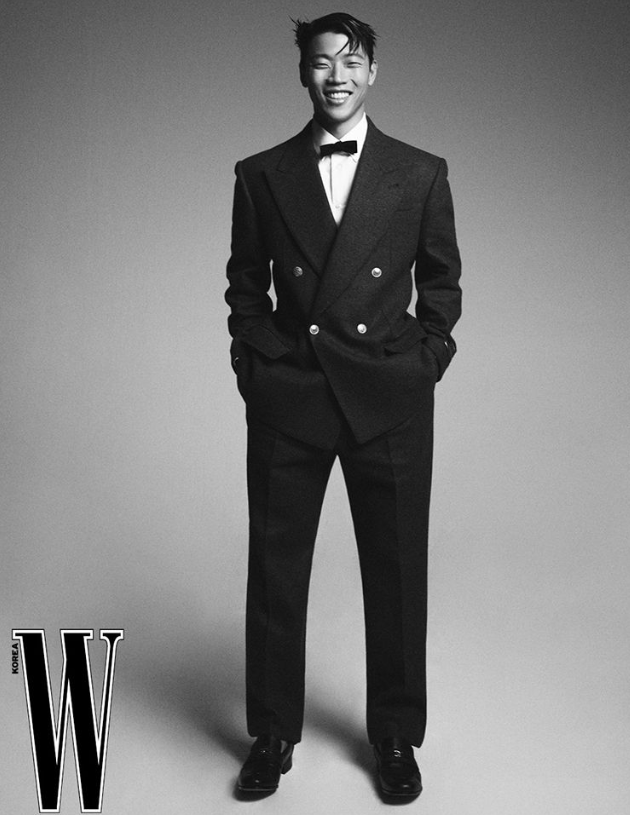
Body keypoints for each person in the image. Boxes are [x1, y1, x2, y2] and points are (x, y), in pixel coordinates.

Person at [225, 12, 461, 800]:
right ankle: (271, 733)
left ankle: (394, 734)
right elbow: (244, 287)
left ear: (373, 73)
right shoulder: (261, 174)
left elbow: (443, 283)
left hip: (388, 397)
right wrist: (256, 366)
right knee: (275, 571)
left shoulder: (420, 172)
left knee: (397, 573)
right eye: (323, 62)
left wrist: (426, 362)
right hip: (291, 397)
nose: (337, 76)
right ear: (303, 72)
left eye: (352, 62)